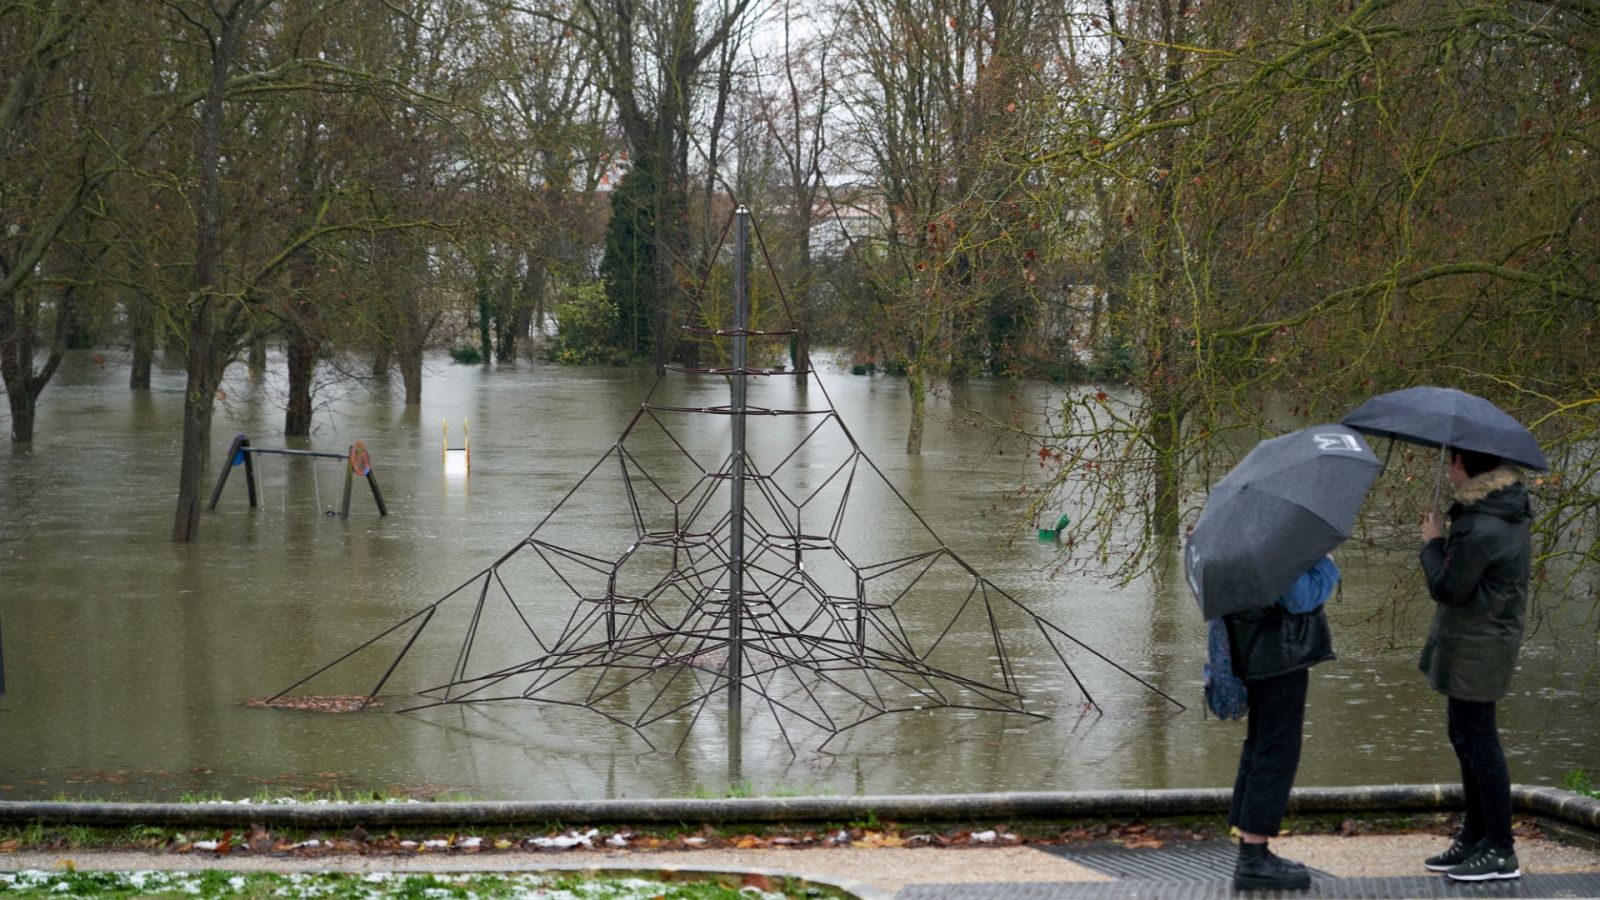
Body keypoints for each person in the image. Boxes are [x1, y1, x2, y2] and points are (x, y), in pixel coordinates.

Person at [1418, 448, 1531, 882]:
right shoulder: (1495, 513)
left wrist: (1432, 542)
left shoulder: (1482, 525)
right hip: (1476, 641)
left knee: (1480, 743)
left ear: (1463, 465)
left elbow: (1449, 587)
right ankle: (1476, 836)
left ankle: (1500, 849)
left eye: (1451, 463)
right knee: (1465, 736)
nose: (1448, 470)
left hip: (1479, 646)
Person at [1222, 554, 1340, 892]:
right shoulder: (1273, 543)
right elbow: (1299, 597)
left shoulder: (1237, 538)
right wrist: (1328, 565)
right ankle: (1254, 858)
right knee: (1277, 751)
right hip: (1279, 655)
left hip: (1252, 651)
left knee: (1259, 745)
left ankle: (1250, 846)